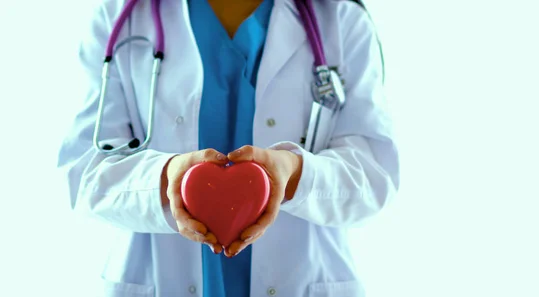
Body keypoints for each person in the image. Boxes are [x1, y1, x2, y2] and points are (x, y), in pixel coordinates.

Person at [57, 0, 400, 296]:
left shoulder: (341, 20)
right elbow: (85, 171)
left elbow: (374, 176)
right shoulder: (121, 17)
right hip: (156, 278)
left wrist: (295, 174)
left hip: (305, 278)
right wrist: (165, 180)